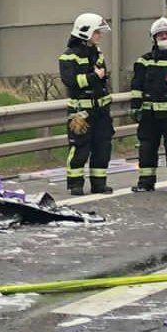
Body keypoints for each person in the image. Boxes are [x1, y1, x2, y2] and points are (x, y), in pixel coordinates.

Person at [130, 17, 167, 192]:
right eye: (160, 34)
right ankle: (146, 182)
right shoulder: (144, 61)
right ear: (154, 37)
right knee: (146, 147)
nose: (164, 37)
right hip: (149, 114)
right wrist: (136, 106)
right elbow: (136, 85)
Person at [60, 13, 115, 196]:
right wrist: (94, 77)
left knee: (102, 147)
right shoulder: (68, 57)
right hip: (80, 112)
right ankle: (75, 185)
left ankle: (99, 184)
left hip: (101, 111)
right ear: (85, 32)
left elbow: (103, 77)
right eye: (96, 32)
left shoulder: (97, 54)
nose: (100, 35)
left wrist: (101, 78)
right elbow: (71, 81)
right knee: (79, 148)